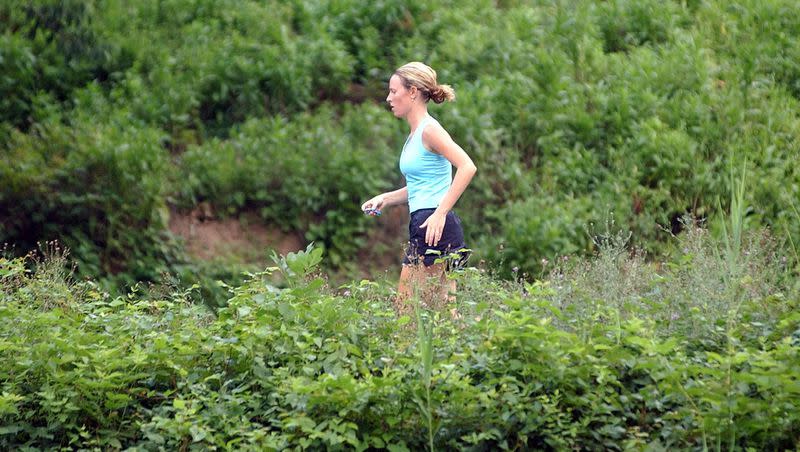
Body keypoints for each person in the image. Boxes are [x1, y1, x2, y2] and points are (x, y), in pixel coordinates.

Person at [361, 61, 477, 312]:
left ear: (412, 92)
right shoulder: (415, 135)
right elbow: (423, 186)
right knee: (446, 314)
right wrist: (386, 198)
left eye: (394, 91)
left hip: (433, 225)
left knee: (406, 311)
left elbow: (467, 166)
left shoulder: (430, 130)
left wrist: (440, 213)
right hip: (428, 223)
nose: (388, 98)